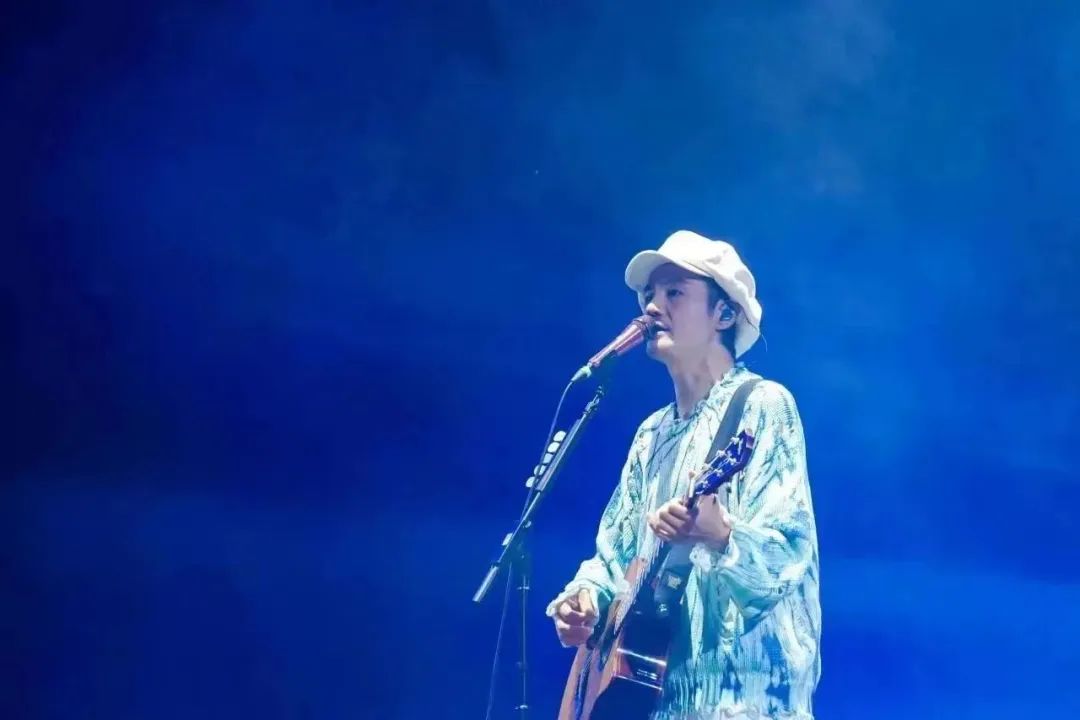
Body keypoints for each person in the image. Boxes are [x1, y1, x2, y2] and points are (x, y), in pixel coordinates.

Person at [547, 230, 821, 720]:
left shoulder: (763, 405)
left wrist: (721, 534)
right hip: (658, 702)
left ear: (724, 314)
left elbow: (790, 556)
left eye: (674, 292)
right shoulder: (651, 434)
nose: (652, 307)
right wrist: (585, 599)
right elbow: (613, 555)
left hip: (740, 702)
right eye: (648, 295)